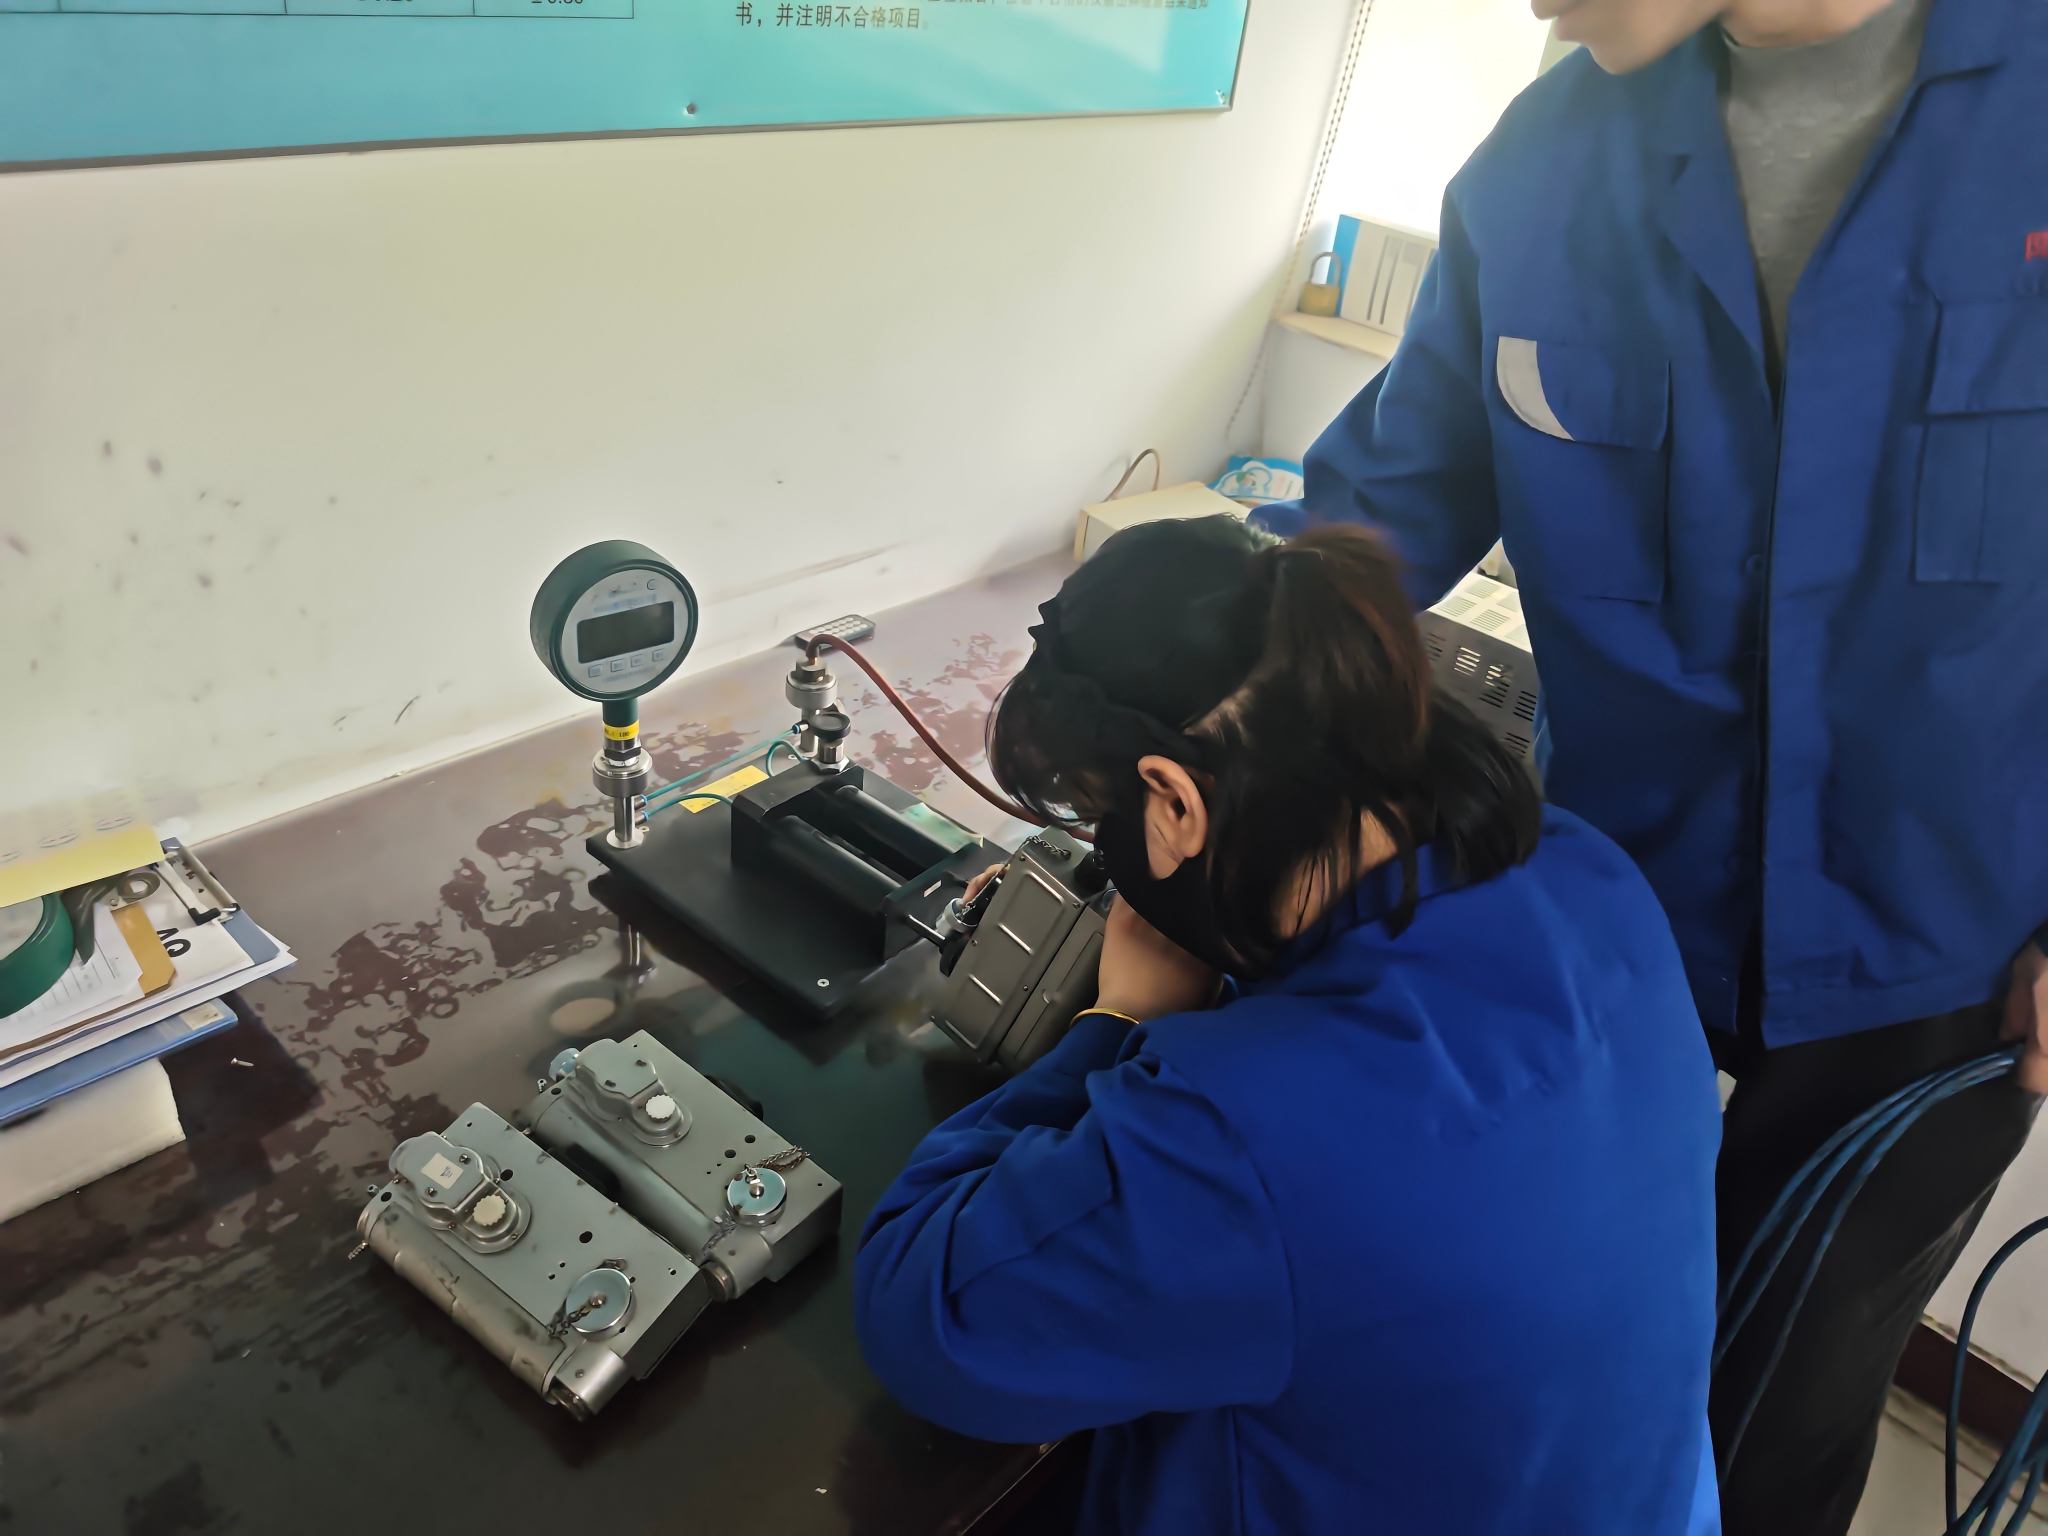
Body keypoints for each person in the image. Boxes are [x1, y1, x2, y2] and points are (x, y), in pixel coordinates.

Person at [1253, 1, 2048, 1531]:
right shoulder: (1542, 169)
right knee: (1545, 1396)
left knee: (1770, 1443)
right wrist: (1180, 691)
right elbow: (1371, 525)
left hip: (1932, 978)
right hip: (1610, 929)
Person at [855, 516, 1723, 1535]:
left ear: (1172, 801)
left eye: (1099, 819)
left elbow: (924, 1312)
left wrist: (1118, 1018)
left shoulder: (1245, 1140)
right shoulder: (1589, 875)